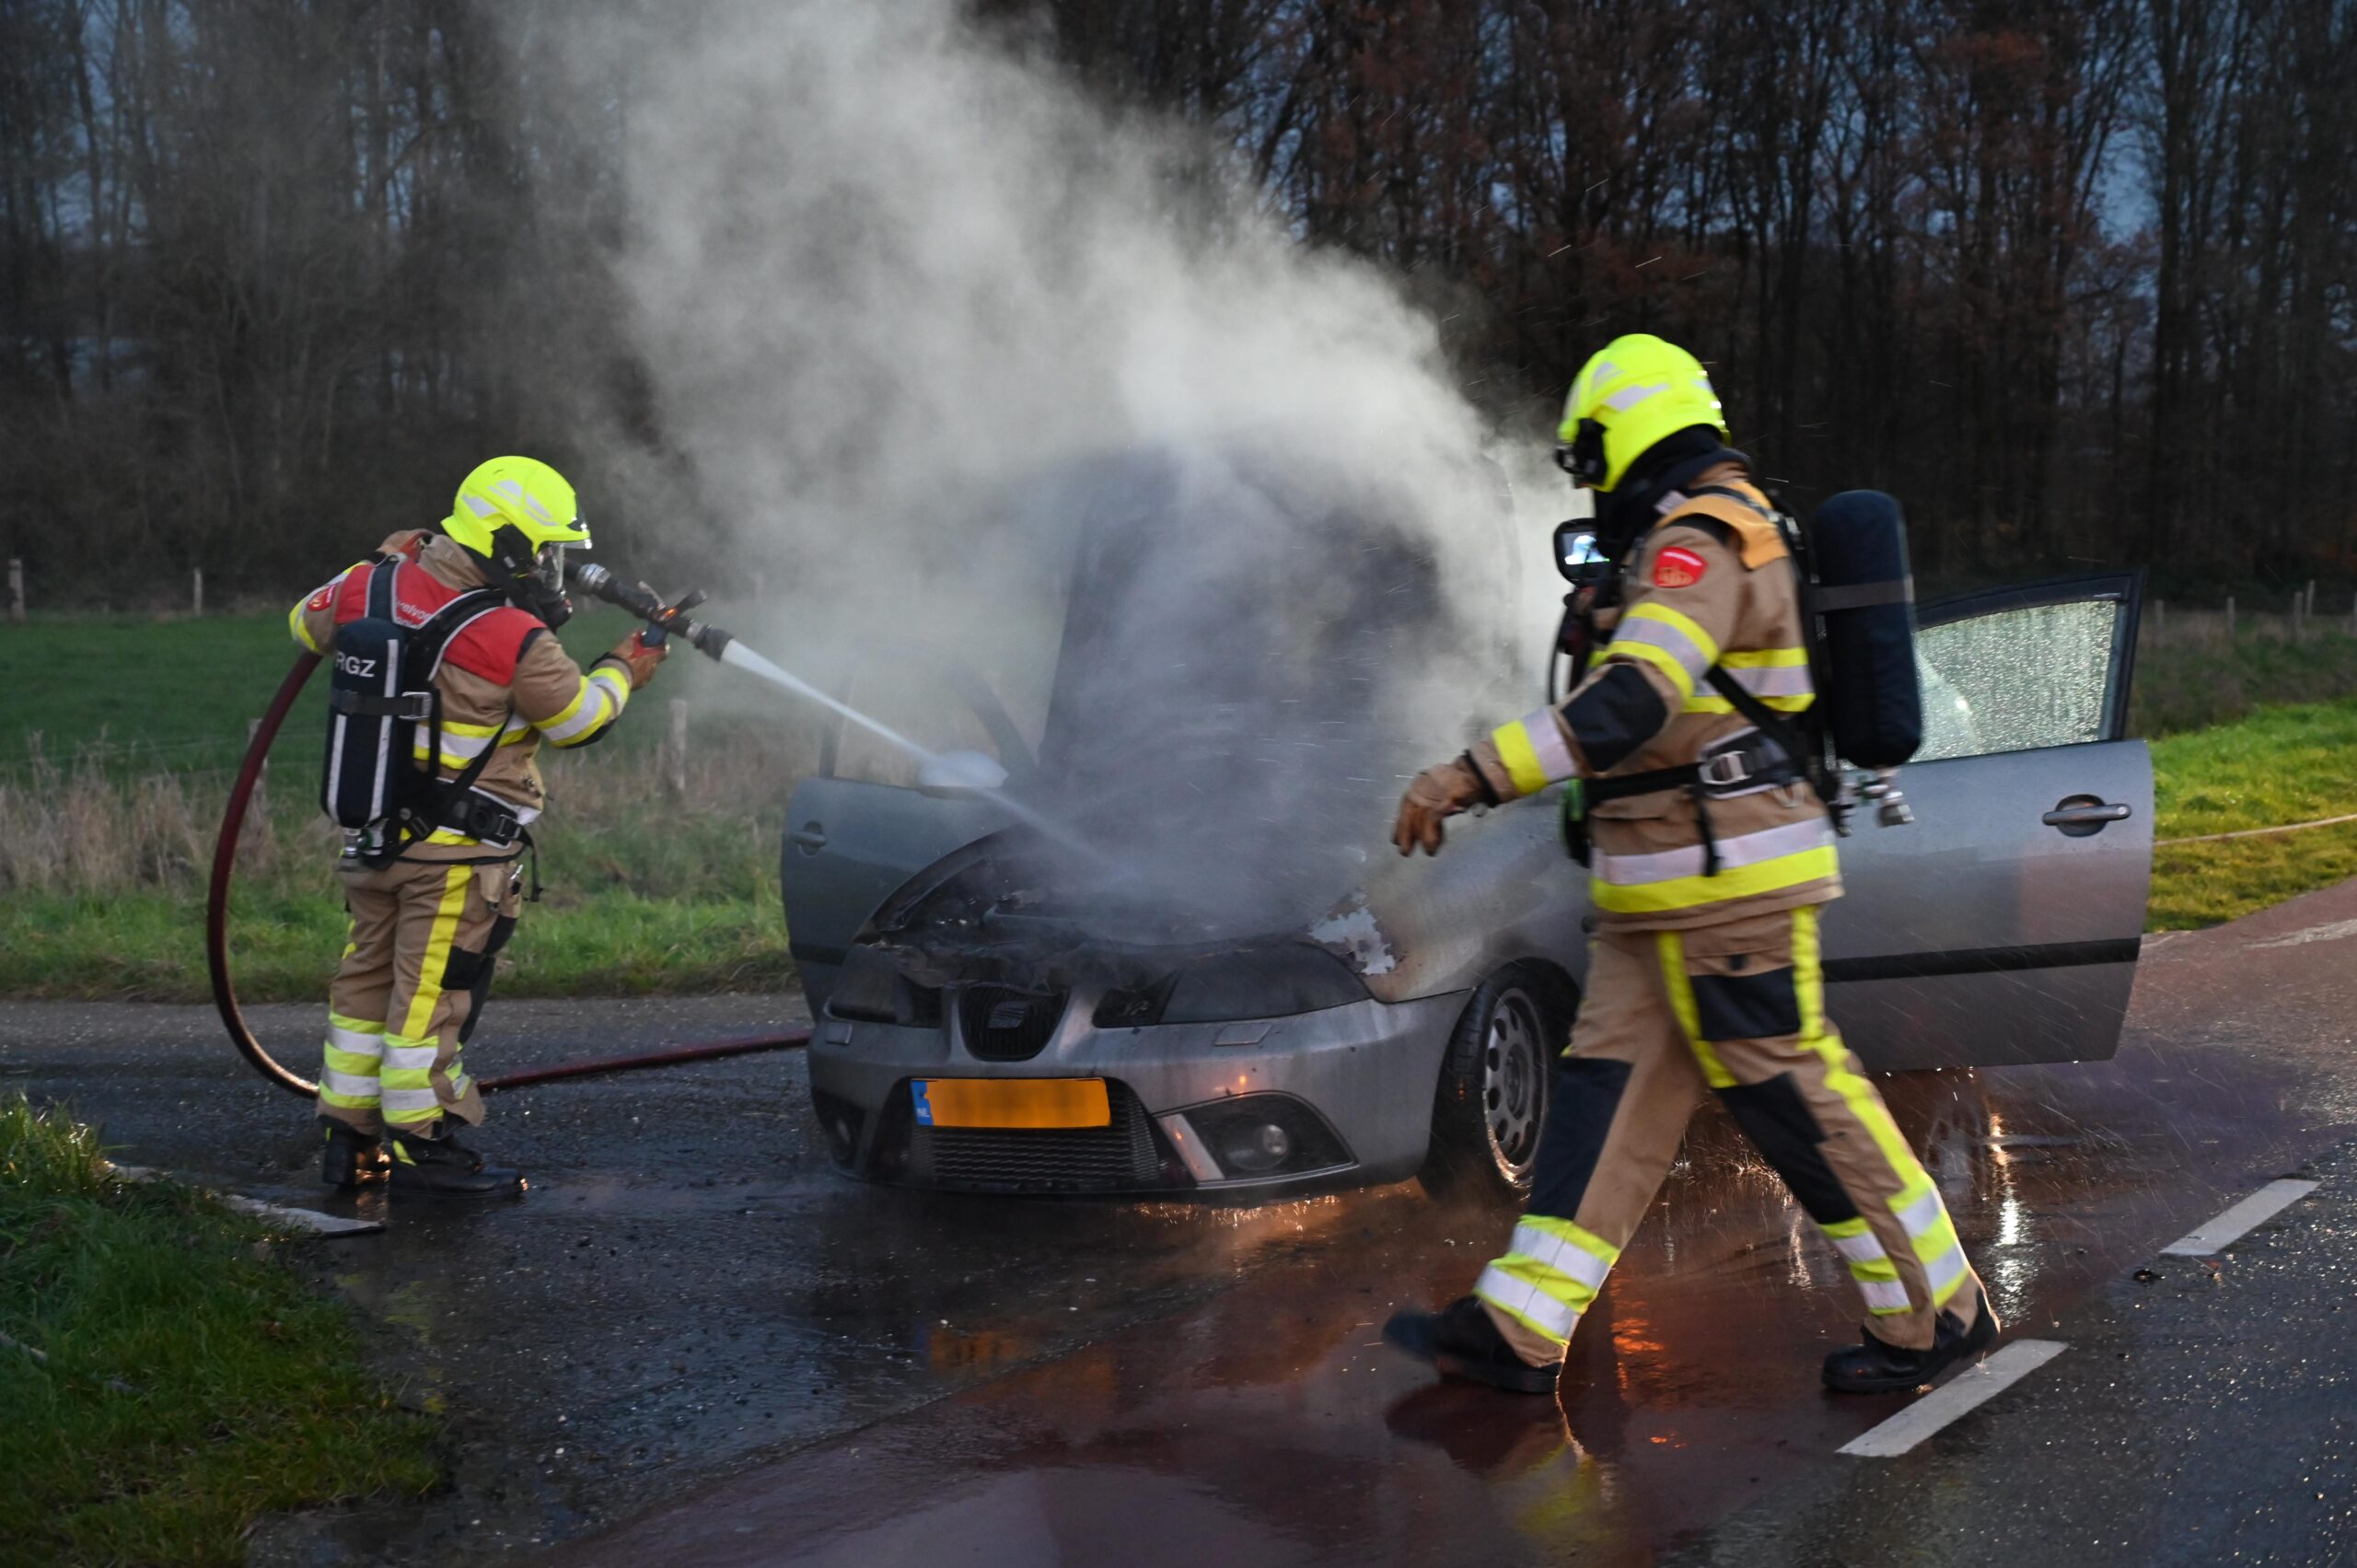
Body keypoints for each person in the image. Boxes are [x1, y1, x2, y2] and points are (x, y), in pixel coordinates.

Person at [1383, 335, 1997, 1395]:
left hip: (1730, 896)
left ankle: (1940, 1310)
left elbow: (1632, 704)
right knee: (1604, 1106)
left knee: (1798, 1102)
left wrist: (1468, 774)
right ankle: (1521, 1325)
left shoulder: (1706, 537)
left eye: (1592, 462)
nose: (1594, 487)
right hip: (1659, 898)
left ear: (1625, 436)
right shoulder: (1685, 542)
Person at [287, 457, 665, 1195]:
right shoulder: (509, 635)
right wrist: (628, 664)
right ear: (510, 545)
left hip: (373, 841)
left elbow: (304, 623)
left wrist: (388, 559)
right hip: (456, 862)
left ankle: (349, 1142)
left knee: (362, 992)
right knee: (430, 1004)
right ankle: (429, 1147)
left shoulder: (373, 583)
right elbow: (580, 720)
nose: (554, 567)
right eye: (546, 549)